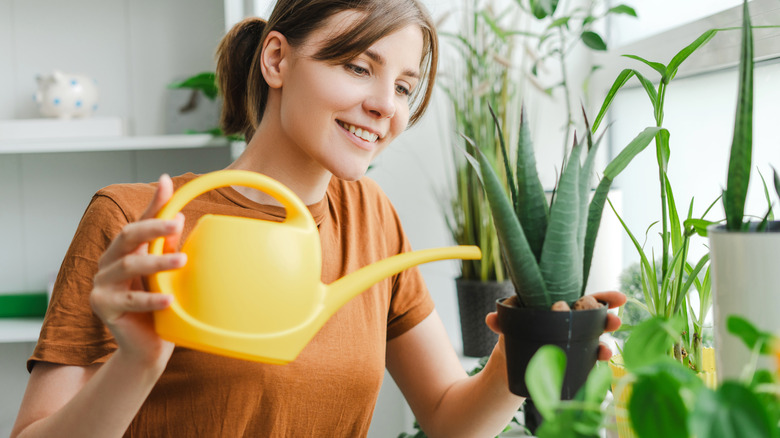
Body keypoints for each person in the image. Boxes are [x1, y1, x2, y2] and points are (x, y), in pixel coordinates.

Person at [11, 0, 625, 436]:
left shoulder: (372, 219)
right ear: (276, 60)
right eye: (358, 67)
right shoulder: (136, 220)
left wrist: (521, 348)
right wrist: (137, 363)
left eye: (406, 87)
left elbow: (446, 415)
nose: (385, 105)